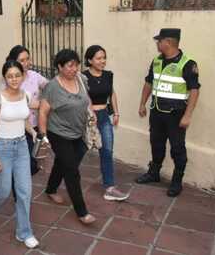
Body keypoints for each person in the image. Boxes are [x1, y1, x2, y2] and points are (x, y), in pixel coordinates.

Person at [0, 61, 39, 249]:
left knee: (24, 192)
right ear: (5, 77)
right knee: (3, 191)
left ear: (22, 76)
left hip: (21, 146)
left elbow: (23, 119)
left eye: (17, 75)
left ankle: (24, 232)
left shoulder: (26, 96)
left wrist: (33, 131)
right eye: (10, 76)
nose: (14, 79)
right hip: (2, 147)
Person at [137, 28, 200, 197]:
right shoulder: (157, 61)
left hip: (176, 115)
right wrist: (142, 103)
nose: (158, 43)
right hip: (157, 112)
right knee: (156, 144)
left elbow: (194, 90)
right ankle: (154, 173)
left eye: (160, 41)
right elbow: (149, 83)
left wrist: (188, 115)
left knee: (177, 148)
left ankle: (177, 181)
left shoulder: (187, 64)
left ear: (169, 42)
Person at [39, 49, 96, 225]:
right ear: (60, 66)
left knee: (63, 163)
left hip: (79, 133)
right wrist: (43, 136)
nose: (74, 69)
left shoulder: (82, 79)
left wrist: (91, 116)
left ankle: (50, 188)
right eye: (70, 65)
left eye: (76, 65)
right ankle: (82, 211)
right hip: (58, 134)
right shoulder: (52, 87)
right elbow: (43, 112)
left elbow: (87, 100)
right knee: (72, 170)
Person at [82, 45, 129, 201]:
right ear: (90, 60)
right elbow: (82, 97)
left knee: (107, 151)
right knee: (79, 151)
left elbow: (112, 93)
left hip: (103, 117)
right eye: (98, 58)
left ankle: (109, 188)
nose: (102, 61)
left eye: (104, 57)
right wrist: (89, 116)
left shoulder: (108, 75)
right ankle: (63, 179)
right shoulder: (83, 77)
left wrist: (116, 112)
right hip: (88, 117)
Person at [6, 45, 48, 175]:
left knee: (34, 161)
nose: (26, 63)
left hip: (35, 125)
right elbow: (11, 100)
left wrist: (43, 102)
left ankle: (21, 182)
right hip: (18, 127)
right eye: (22, 60)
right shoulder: (10, 79)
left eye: (28, 59)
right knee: (27, 162)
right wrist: (33, 104)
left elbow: (50, 86)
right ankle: (19, 185)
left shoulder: (34, 76)